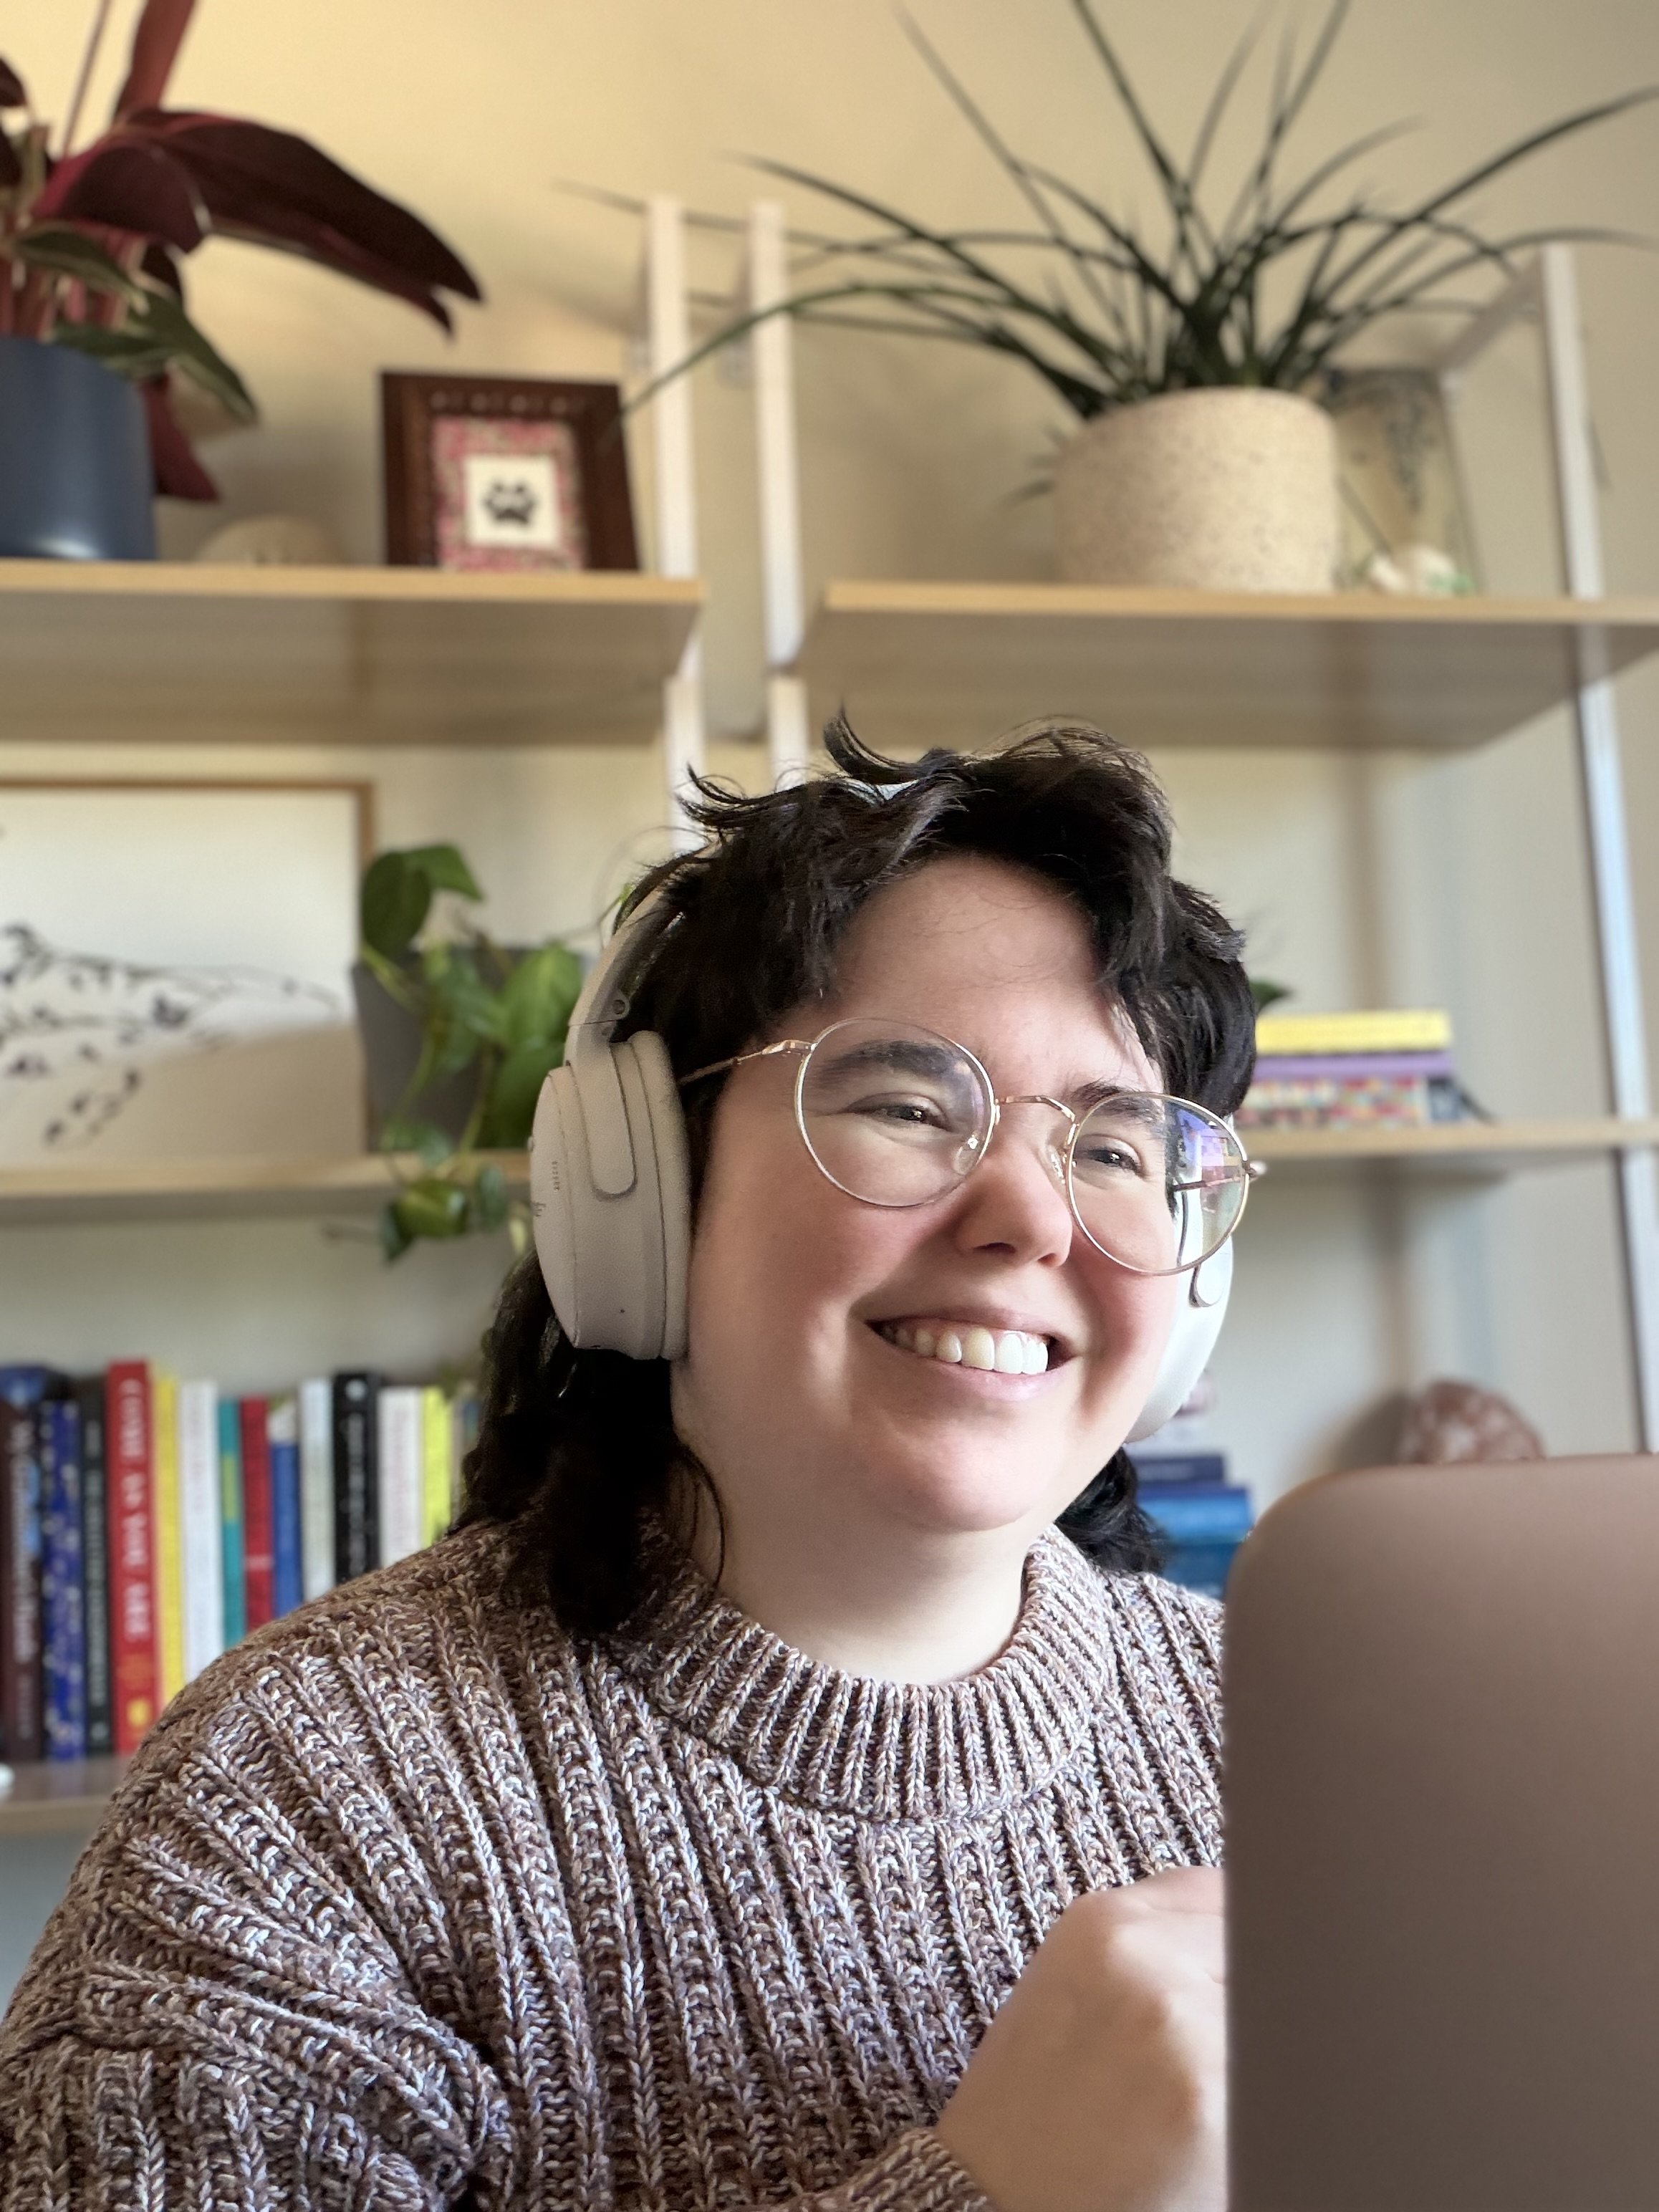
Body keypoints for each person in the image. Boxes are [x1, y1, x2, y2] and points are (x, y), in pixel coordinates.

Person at [0, 719, 1256, 2212]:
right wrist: (986, 2189)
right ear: (639, 1191)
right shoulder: (303, 1797)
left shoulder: (1298, 1732)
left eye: (1116, 1147)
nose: (1033, 1218)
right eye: (908, 1104)